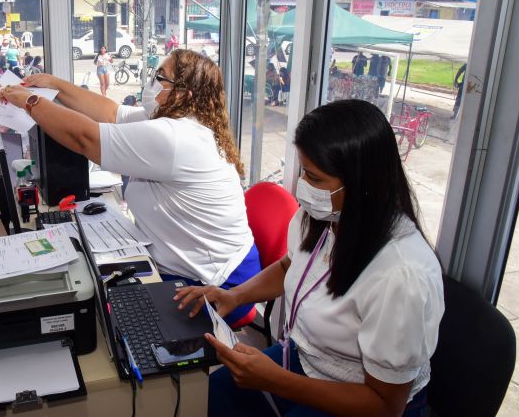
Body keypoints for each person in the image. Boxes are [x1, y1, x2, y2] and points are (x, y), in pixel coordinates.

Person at [175, 99, 444, 417]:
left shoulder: (401, 275)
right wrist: (234, 296)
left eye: (315, 178)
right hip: (308, 359)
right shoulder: (323, 217)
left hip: (362, 397)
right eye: (304, 171)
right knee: (211, 397)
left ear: (363, 185)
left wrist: (277, 381)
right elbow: (292, 265)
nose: (302, 186)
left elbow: (385, 405)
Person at [0, 49, 260, 325]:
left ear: (184, 94)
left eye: (162, 77)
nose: (153, 82)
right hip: (185, 267)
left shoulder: (175, 137)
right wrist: (56, 84)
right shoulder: (167, 121)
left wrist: (30, 102)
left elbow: (86, 137)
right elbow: (110, 113)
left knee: (105, 316)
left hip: (216, 284)